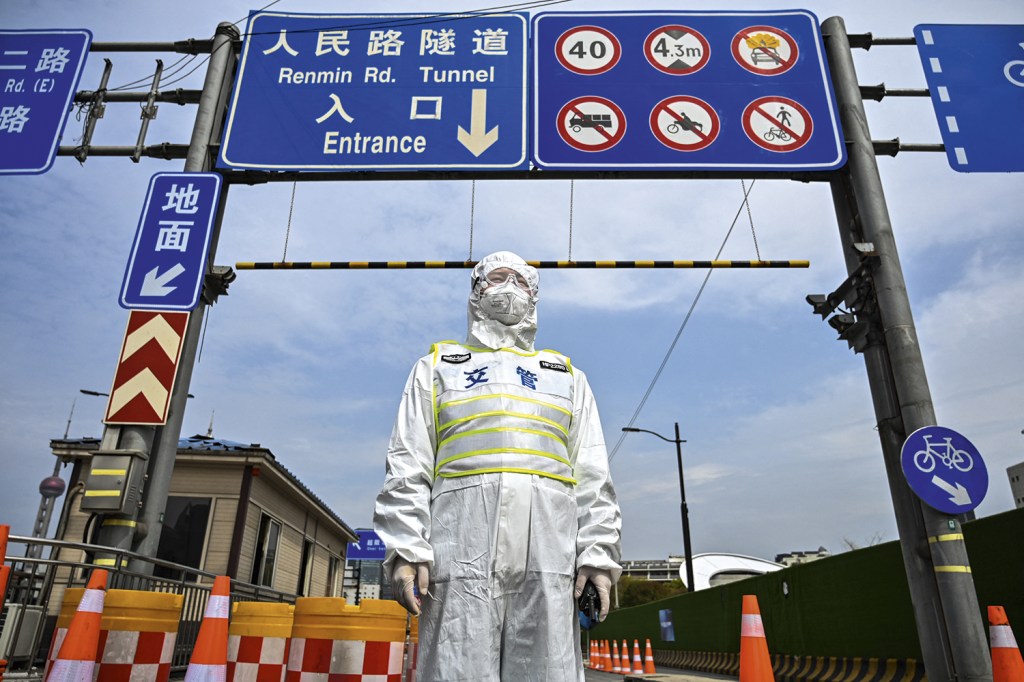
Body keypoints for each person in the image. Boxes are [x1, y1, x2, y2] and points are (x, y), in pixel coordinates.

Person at [373, 251, 622, 682]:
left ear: (535, 296)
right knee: (456, 670)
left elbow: (594, 474)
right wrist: (407, 550)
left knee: (549, 672)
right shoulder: (436, 369)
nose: (509, 289)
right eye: (497, 278)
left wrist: (598, 556)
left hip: (550, 551)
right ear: (476, 292)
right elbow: (408, 464)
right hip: (459, 550)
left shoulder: (565, 376)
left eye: (521, 282)